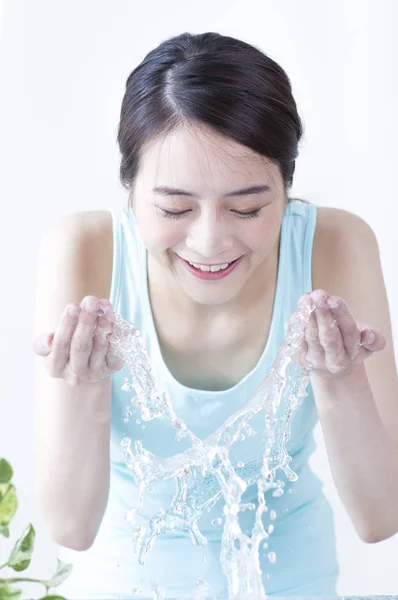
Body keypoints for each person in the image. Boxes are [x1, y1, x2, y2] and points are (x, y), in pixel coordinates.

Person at [33, 32, 398, 599]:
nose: (209, 242)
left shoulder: (335, 244)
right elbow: (70, 529)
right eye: (175, 207)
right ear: (129, 191)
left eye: (248, 207)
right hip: (122, 582)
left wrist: (339, 377)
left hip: (291, 578)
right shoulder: (85, 250)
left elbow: (382, 517)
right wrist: (82, 386)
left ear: (287, 188)